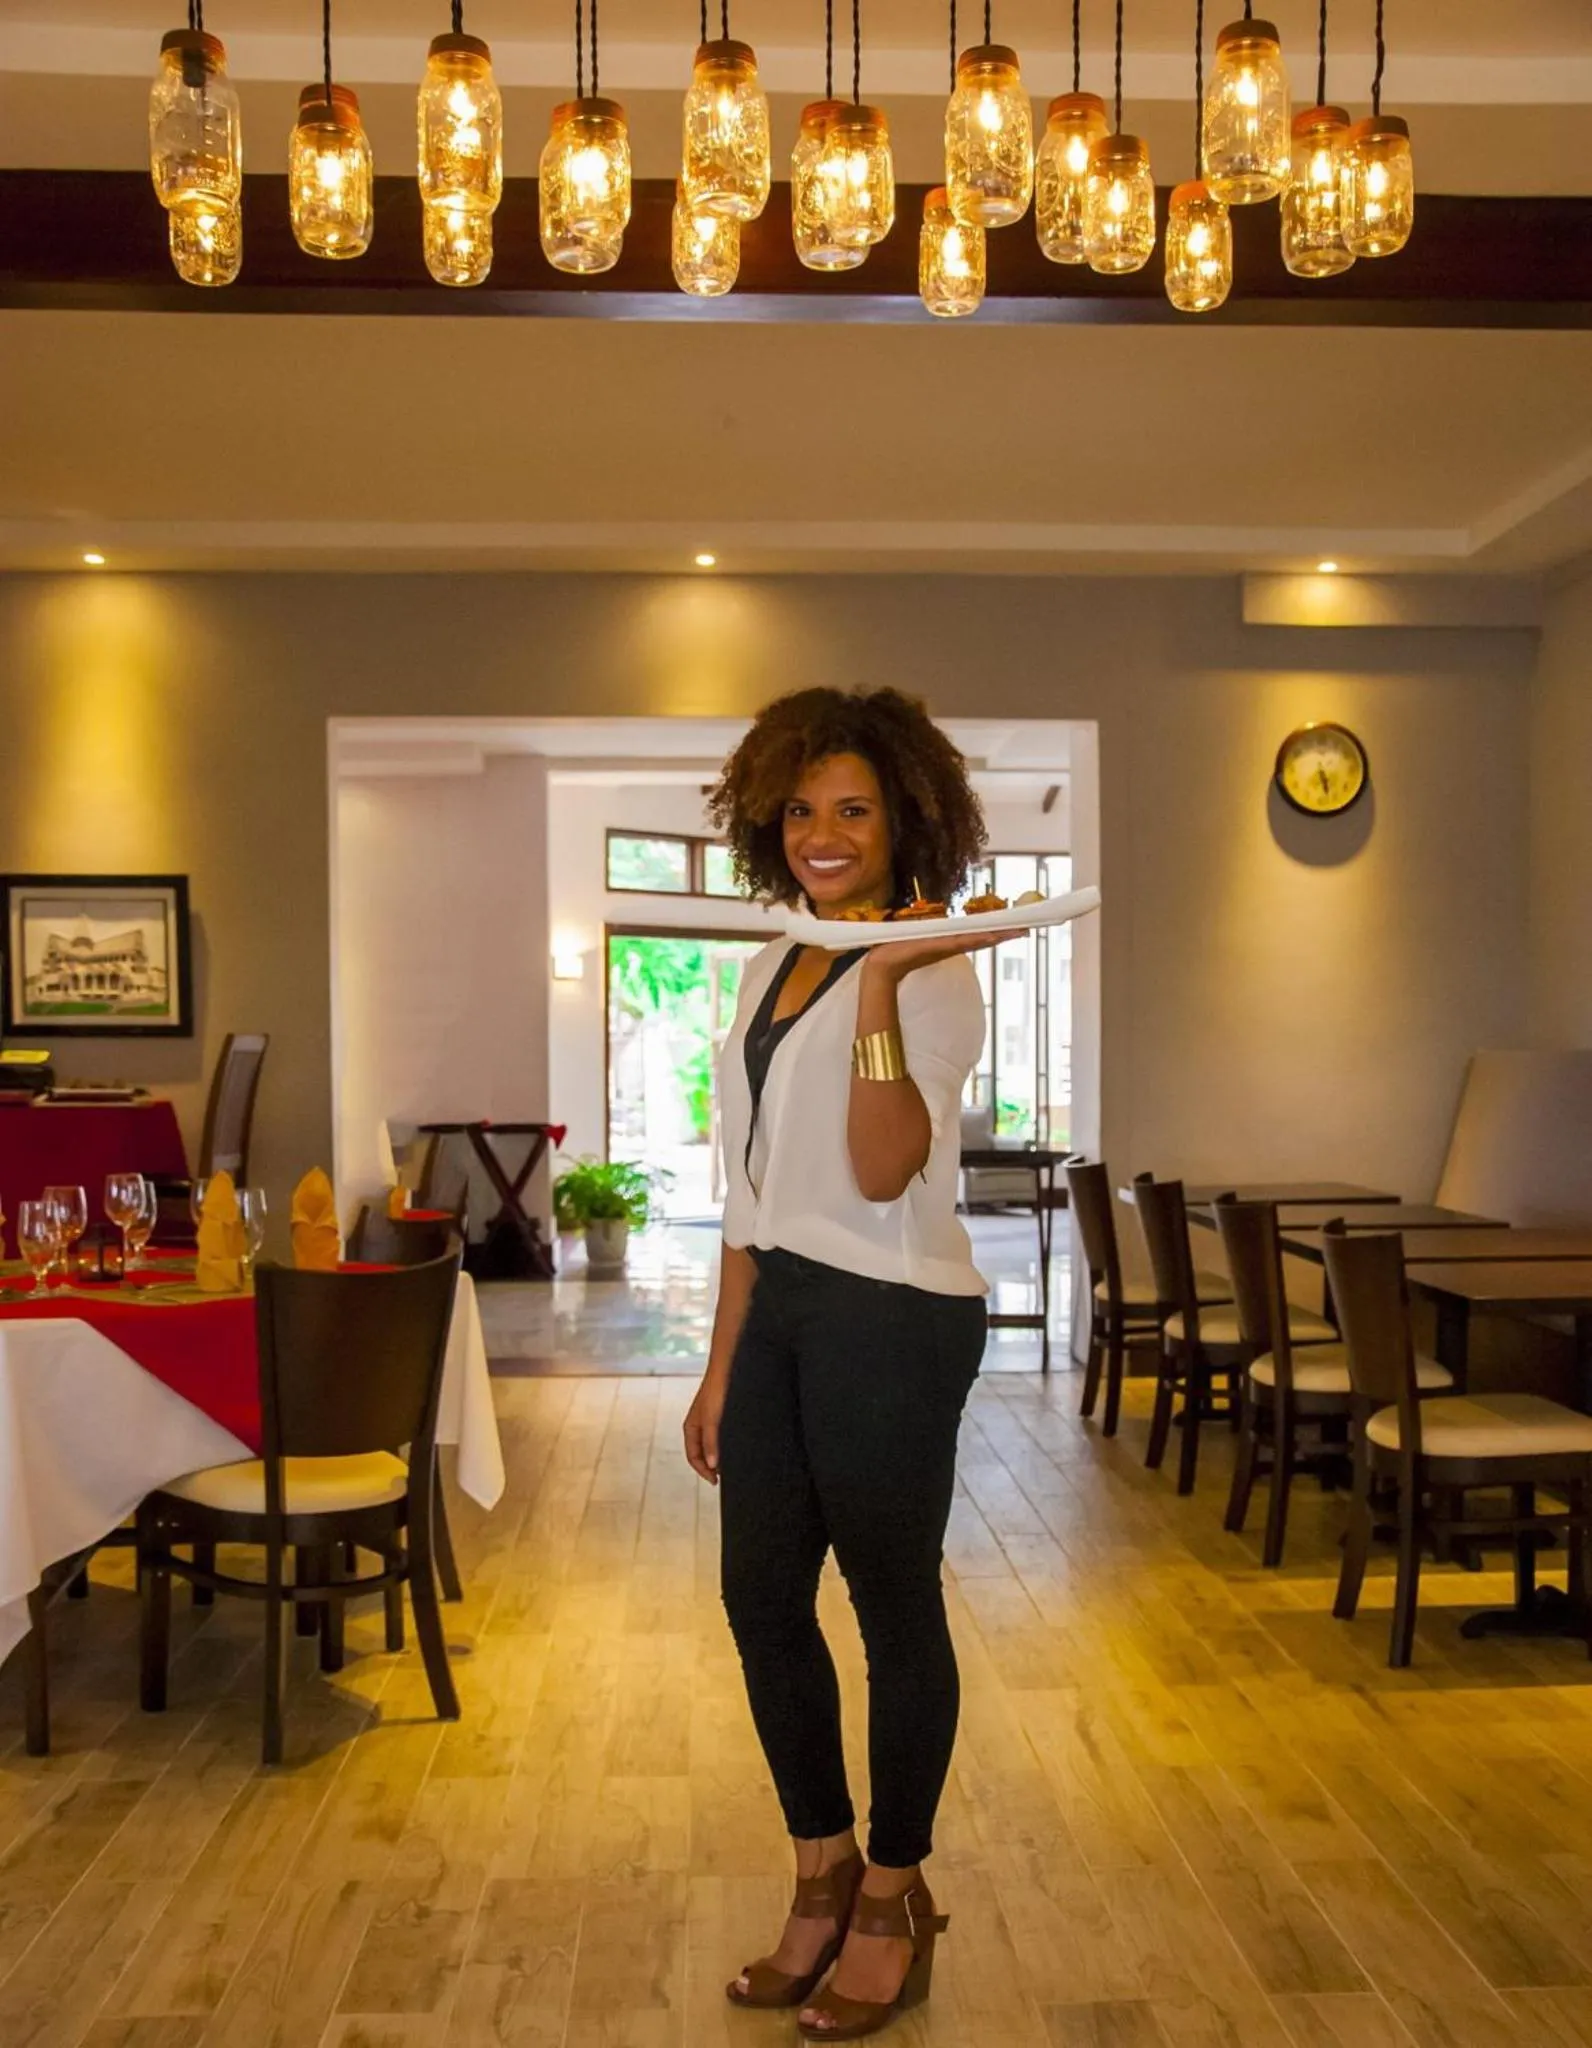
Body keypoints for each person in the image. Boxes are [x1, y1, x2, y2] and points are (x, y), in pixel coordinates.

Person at [685, 685, 1004, 2042]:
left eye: (853, 808)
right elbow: (750, 1191)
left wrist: (879, 977)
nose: (822, 832)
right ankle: (818, 1868)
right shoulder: (772, 962)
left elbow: (884, 1166)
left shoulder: (933, 962)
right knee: (759, 1597)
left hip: (893, 1313)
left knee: (890, 1608)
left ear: (905, 819)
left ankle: (893, 1889)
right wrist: (719, 1365)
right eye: (802, 807)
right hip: (782, 1310)